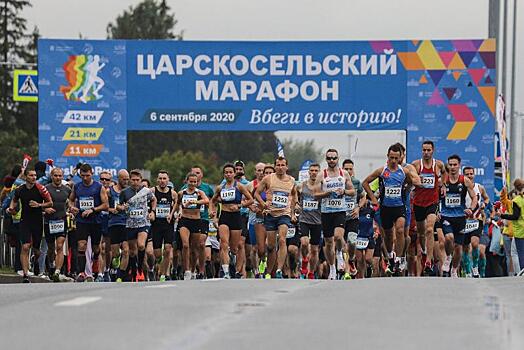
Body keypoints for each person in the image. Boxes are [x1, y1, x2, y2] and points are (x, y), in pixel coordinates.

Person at [362, 144, 420, 276]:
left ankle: (398, 259)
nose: (394, 160)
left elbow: (412, 182)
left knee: (400, 230)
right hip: (385, 208)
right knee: (388, 237)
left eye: (396, 158)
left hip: (399, 207)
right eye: (391, 157)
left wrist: (406, 191)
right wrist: (373, 198)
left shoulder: (404, 172)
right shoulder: (382, 171)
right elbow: (365, 183)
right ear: (387, 157)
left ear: (400, 158)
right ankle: (390, 255)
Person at [316, 149, 356, 280]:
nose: (332, 160)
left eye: (334, 158)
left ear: (338, 159)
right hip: (326, 211)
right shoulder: (322, 175)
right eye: (329, 158)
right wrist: (327, 193)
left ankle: (339, 253)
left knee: (338, 237)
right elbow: (315, 195)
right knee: (328, 243)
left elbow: (353, 191)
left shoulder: (343, 173)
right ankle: (332, 268)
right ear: (326, 160)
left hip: (340, 210)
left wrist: (343, 191)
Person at [8, 168, 53, 283]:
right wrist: (12, 208)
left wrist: (39, 205)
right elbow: (14, 200)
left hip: (37, 221)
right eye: (31, 175)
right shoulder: (20, 189)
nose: (34, 177)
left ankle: (35, 259)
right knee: (25, 246)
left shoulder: (40, 188)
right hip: (25, 221)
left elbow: (50, 203)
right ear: (26, 177)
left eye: (35, 176)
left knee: (37, 250)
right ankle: (25, 275)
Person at [254, 157, 297, 279]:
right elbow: (256, 193)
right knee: (271, 246)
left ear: (286, 167)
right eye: (277, 165)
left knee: (282, 240)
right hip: (270, 214)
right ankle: (268, 272)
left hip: (284, 214)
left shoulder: (291, 180)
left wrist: (293, 212)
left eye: (283, 165)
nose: (280, 167)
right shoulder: (268, 178)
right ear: (274, 166)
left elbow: (294, 195)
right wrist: (263, 204)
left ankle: (278, 269)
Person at [210, 164, 253, 279]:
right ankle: (226, 271)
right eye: (226, 172)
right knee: (223, 243)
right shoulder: (220, 188)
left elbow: (251, 200)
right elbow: (212, 201)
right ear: (224, 174)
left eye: (230, 172)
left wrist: (239, 205)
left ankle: (232, 259)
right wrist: (213, 214)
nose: (228, 174)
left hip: (236, 217)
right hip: (224, 216)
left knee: (234, 248)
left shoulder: (239, 186)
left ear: (234, 174)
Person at [68, 163, 108, 282]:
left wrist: (93, 210)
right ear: (80, 175)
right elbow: (70, 200)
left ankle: (95, 268)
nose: (85, 178)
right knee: (82, 245)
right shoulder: (77, 187)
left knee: (96, 248)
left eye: (87, 175)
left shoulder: (98, 187)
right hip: (82, 221)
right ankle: (82, 273)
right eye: (83, 175)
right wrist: (71, 207)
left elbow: (106, 205)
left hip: (96, 221)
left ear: (92, 174)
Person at [412, 140, 447, 275]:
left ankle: (428, 260)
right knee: (421, 233)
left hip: (432, 203)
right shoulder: (416, 164)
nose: (426, 153)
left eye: (428, 150)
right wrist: (415, 181)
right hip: (418, 203)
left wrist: (443, 185)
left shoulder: (438, 165)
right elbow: (411, 177)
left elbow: (444, 172)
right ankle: (426, 250)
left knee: (429, 229)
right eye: (424, 150)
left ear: (433, 151)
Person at [439, 155, 477, 277]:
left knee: (459, 248)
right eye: (450, 164)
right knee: (449, 238)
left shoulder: (464, 180)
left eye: (455, 165)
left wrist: (471, 209)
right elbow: (435, 197)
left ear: (459, 165)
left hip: (460, 217)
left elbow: (474, 197)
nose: (453, 167)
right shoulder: (443, 181)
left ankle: (454, 270)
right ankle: (448, 257)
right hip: (446, 215)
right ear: (448, 165)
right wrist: (437, 211)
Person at [117, 169, 156, 282]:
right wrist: (122, 208)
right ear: (130, 180)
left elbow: (154, 199)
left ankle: (140, 266)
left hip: (143, 223)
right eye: (133, 180)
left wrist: (152, 211)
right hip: (130, 224)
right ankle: (134, 271)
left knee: (141, 245)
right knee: (132, 252)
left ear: (140, 180)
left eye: (137, 180)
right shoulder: (125, 192)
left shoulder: (146, 191)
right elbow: (118, 206)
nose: (135, 182)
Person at [174, 172, 210, 280]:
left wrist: (195, 202)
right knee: (185, 245)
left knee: (194, 249)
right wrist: (176, 213)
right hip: (184, 220)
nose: (193, 184)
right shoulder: (181, 193)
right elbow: (177, 204)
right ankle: (187, 271)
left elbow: (207, 200)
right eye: (191, 181)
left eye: (195, 182)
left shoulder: (199, 193)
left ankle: (194, 269)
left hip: (196, 220)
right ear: (187, 181)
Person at [44, 167, 71, 282]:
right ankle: (51, 264)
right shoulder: (46, 189)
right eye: (55, 175)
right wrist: (45, 211)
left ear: (63, 176)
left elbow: (70, 203)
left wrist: (71, 210)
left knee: (59, 246)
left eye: (60, 176)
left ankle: (57, 271)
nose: (58, 178)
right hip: (49, 221)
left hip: (61, 221)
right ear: (51, 176)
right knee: (51, 248)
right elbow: (40, 204)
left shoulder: (67, 189)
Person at [463, 166, 490, 278]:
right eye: (467, 174)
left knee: (474, 244)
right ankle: (467, 271)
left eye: (471, 174)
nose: (469, 176)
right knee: (465, 247)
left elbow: (486, 198)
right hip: (463, 220)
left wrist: (484, 204)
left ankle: (475, 268)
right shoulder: (461, 187)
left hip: (476, 219)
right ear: (464, 175)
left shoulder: (480, 187)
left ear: (474, 175)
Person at [297, 163, 322, 279]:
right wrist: (296, 205)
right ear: (308, 172)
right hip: (304, 219)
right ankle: (304, 260)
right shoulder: (302, 186)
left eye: (316, 170)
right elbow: (294, 197)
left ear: (319, 172)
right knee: (304, 243)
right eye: (311, 170)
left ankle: (311, 272)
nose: (314, 172)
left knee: (315, 250)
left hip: (317, 221)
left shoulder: (323, 187)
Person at [151, 170, 177, 282]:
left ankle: (164, 274)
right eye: (160, 178)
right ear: (157, 180)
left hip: (168, 225)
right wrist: (150, 212)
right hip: (156, 225)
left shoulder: (173, 193)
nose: (162, 181)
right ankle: (159, 266)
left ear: (168, 180)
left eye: (164, 178)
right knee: (157, 254)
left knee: (167, 249)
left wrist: (172, 214)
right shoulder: (152, 191)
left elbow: (176, 203)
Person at [107, 169, 129, 282]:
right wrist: (112, 209)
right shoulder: (110, 191)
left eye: (127, 179)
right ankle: (115, 260)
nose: (126, 181)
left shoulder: (130, 192)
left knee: (126, 250)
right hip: (114, 223)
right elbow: (104, 206)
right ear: (118, 179)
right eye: (124, 179)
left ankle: (120, 276)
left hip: (127, 223)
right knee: (115, 253)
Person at [501, 178, 524, 274]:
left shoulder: (516, 200)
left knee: (519, 254)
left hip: (519, 231)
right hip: (517, 231)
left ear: (515, 188)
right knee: (514, 252)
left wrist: (501, 215)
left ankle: (521, 272)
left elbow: (515, 216)